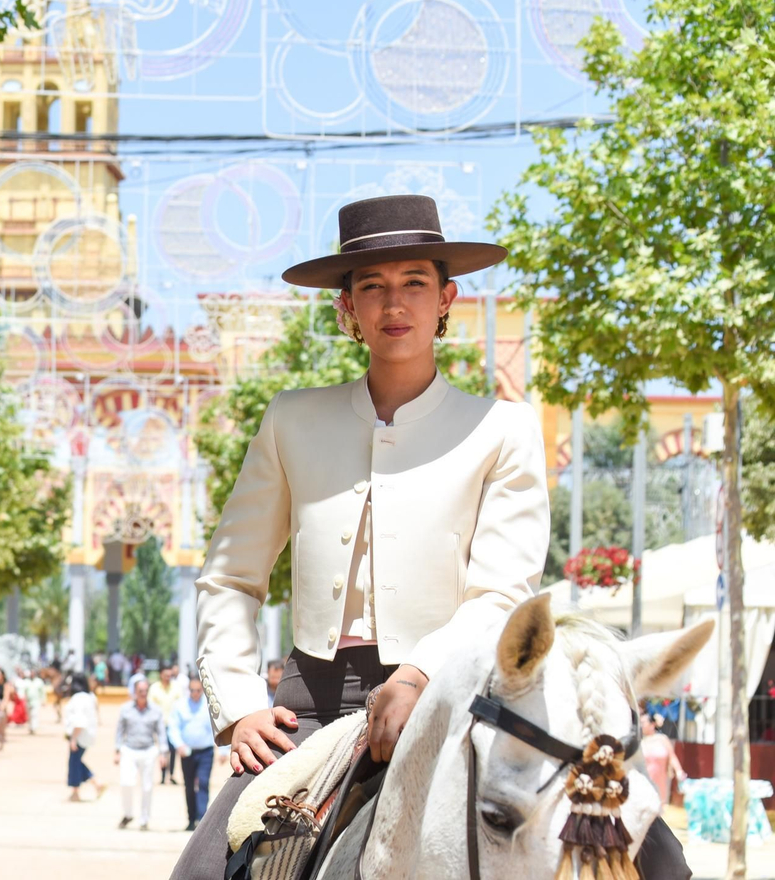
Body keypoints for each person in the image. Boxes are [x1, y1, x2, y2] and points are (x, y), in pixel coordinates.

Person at [173, 194, 689, 880]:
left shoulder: (503, 429)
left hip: (466, 695)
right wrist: (239, 708)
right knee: (207, 864)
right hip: (315, 713)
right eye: (373, 287)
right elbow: (231, 576)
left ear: (446, 299)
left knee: (658, 860)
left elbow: (501, 590)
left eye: (414, 283)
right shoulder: (291, 420)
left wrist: (418, 674)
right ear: (345, 309)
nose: (395, 304)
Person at [115, 678, 167, 830]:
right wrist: (117, 750)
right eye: (140, 691)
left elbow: (161, 733)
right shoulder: (125, 709)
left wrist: (163, 753)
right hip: (129, 749)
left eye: (145, 691)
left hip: (148, 750)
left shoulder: (156, 710)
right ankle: (128, 813)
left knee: (147, 786)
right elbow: (119, 731)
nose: (143, 694)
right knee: (126, 782)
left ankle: (144, 819)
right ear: (135, 692)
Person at [168, 675, 215, 831]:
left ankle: (202, 819)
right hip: (187, 752)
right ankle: (191, 819)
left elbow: (218, 727)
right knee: (189, 786)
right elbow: (173, 727)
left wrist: (224, 750)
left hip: (205, 751)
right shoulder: (180, 705)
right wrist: (179, 745)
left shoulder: (210, 705)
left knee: (202, 783)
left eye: (198, 690)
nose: (195, 693)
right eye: (192, 690)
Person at [64, 672, 106, 802]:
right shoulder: (90, 697)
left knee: (74, 763)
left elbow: (79, 720)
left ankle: (76, 792)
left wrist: (74, 738)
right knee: (76, 762)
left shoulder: (78, 698)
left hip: (80, 735)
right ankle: (96, 784)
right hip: (87, 735)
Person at [641, 713, 687, 808]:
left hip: (660, 780)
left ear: (652, 724)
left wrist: (679, 771)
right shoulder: (640, 742)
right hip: (644, 781)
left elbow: (672, 756)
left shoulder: (662, 739)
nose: (641, 725)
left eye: (643, 723)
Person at [147, 665, 180, 785]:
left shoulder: (176, 688)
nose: (168, 678)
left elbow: (180, 705)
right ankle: (162, 775)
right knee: (162, 750)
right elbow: (150, 707)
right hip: (159, 725)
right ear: (161, 675)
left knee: (173, 750)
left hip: (173, 725)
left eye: (170, 676)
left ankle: (171, 775)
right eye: (166, 675)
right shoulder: (154, 688)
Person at [23, 666, 48, 734]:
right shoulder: (26, 681)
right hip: (28, 701)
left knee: (34, 714)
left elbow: (42, 692)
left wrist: (43, 700)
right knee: (29, 715)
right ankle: (31, 727)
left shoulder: (39, 682)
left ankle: (33, 728)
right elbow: (23, 691)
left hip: (36, 701)